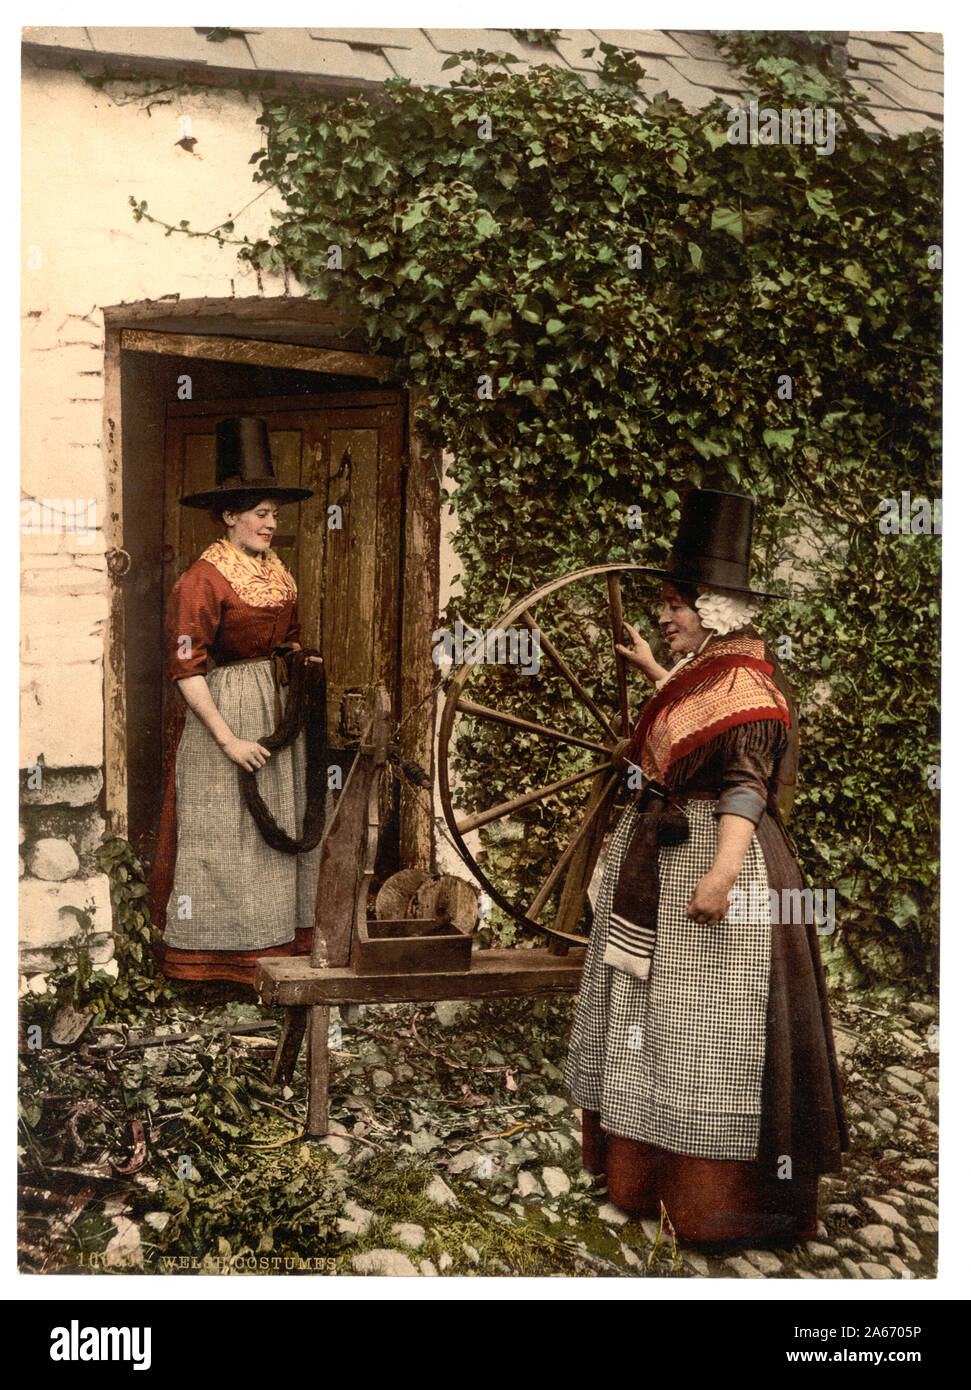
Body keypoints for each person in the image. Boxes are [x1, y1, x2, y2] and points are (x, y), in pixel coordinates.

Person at [564, 488, 848, 1244]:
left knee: (705, 1030)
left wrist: (721, 875)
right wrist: (656, 668)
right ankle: (645, 1176)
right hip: (664, 855)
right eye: (662, 602)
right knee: (654, 1024)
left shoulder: (746, 685)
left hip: (714, 864)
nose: (664, 615)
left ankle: (717, 1202)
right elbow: (696, 730)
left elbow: (744, 783)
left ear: (714, 610)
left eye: (676, 605)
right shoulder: (710, 672)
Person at [149, 417, 323, 987]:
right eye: (261, 513)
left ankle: (275, 953)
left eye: (274, 513)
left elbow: (290, 639)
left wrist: (297, 673)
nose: (272, 523)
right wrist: (228, 738)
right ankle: (216, 965)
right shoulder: (202, 579)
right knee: (223, 832)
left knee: (274, 829)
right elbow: (184, 668)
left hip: (276, 714)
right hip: (223, 714)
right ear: (229, 516)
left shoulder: (275, 572)